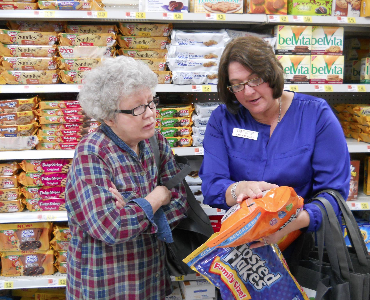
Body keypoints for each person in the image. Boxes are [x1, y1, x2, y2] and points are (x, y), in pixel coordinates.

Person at [199, 36, 350, 255]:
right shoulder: (222, 119)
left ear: (272, 74)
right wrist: (237, 188)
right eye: (237, 85)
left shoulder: (315, 115)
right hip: (243, 247)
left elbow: (334, 193)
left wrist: (290, 223)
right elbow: (212, 186)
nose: (248, 92)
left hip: (304, 245)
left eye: (256, 79)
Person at [65, 56, 189, 300]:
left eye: (151, 103)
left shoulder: (156, 142)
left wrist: (132, 210)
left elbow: (179, 203)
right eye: (137, 109)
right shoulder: (92, 153)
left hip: (150, 283)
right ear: (109, 116)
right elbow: (110, 227)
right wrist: (155, 198)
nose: (150, 114)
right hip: (104, 287)